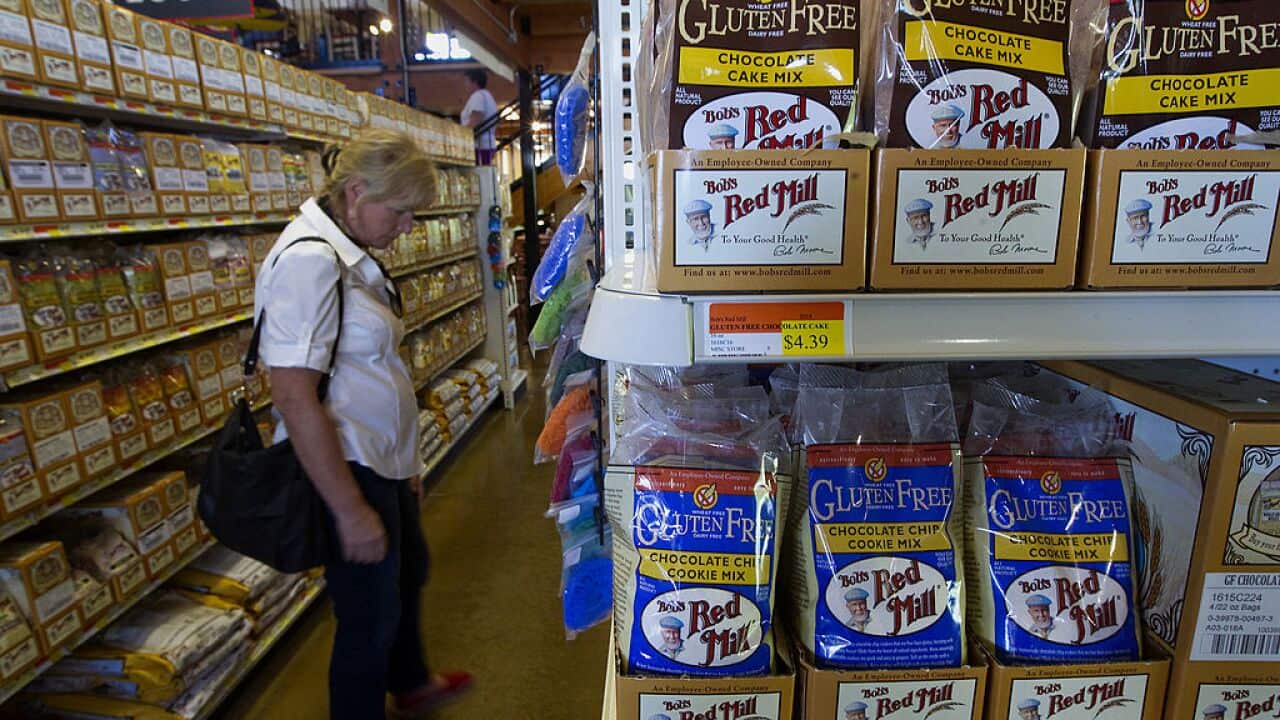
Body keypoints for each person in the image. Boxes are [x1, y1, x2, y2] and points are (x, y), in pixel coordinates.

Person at [255, 129, 472, 719]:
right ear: (356, 192)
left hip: (381, 461)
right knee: (367, 615)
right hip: (345, 468)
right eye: (401, 212)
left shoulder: (345, 252)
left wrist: (405, 466)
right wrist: (351, 509)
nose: (407, 227)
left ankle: (411, 683)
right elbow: (294, 397)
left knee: (406, 574)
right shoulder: (308, 263)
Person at [461, 68, 498, 165]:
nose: (465, 84)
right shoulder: (487, 96)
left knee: (480, 173)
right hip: (487, 143)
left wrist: (462, 134)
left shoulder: (478, 96)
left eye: (467, 81)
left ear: (475, 82)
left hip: (480, 145)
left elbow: (475, 119)